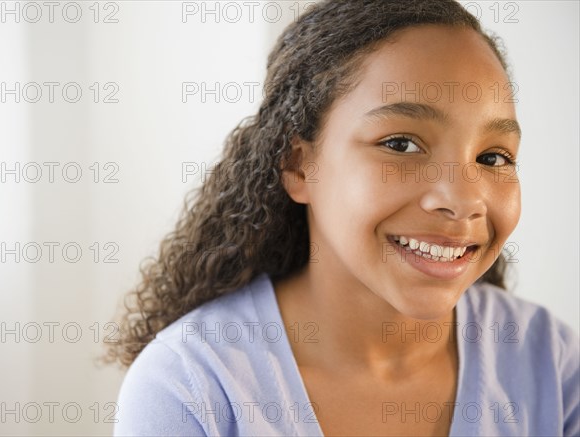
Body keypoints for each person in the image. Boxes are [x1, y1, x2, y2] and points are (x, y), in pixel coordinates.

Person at [107, 1, 580, 435]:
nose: (463, 200)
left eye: (494, 157)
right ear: (298, 165)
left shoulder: (551, 364)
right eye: (400, 145)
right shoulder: (191, 388)